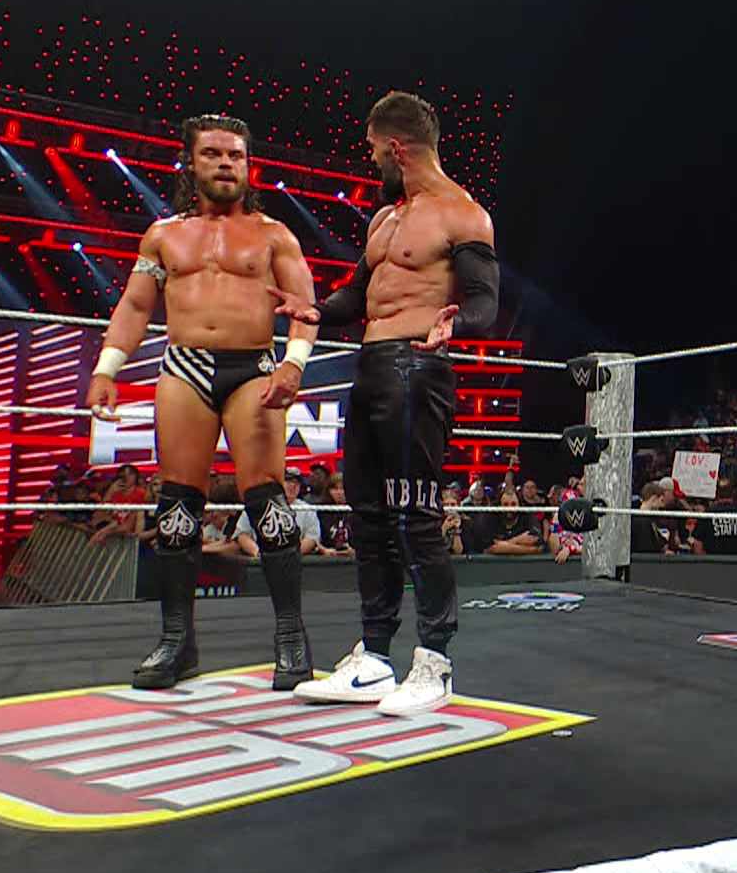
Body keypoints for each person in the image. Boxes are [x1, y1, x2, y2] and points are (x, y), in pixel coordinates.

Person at [273, 91, 498, 718]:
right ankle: (374, 657)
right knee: (368, 516)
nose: (372, 162)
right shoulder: (384, 221)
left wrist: (458, 322)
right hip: (370, 367)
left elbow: (485, 300)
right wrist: (315, 311)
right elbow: (358, 294)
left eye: (374, 151)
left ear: (397, 148)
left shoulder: (463, 214)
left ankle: (435, 662)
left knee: (415, 516)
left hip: (417, 367)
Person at [87, 114, 320, 691]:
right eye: (213, 154)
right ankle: (177, 641)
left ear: (248, 166)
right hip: (184, 366)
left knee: (267, 499)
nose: (225, 164)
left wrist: (294, 364)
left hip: (253, 368)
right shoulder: (163, 235)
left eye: (235, 155)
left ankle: (292, 638)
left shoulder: (274, 234)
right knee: (177, 504)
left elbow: (305, 306)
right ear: (190, 163)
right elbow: (135, 306)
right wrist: (107, 368)